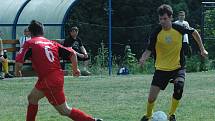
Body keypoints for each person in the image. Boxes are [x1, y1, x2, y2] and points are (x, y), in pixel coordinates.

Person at [15, 20, 102, 121]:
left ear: (30, 32)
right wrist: (75, 69)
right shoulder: (51, 43)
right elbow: (72, 53)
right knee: (32, 98)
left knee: (64, 110)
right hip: (53, 77)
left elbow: (19, 62)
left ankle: (93, 120)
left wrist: (17, 72)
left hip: (49, 80)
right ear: (43, 31)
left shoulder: (29, 43)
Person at [139, 4, 208, 121]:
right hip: (161, 69)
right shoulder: (156, 32)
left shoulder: (178, 28)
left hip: (178, 67)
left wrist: (202, 49)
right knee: (151, 98)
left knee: (179, 87)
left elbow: (194, 32)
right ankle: (148, 115)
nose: (163, 22)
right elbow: (149, 49)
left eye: (165, 19)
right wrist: (143, 58)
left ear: (171, 18)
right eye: (161, 19)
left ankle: (171, 115)